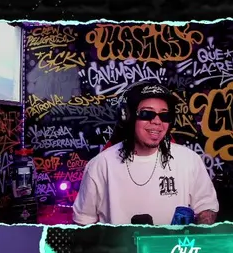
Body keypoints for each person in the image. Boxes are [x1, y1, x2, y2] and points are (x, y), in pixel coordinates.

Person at [72, 82, 219, 226]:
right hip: (119, 244)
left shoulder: (189, 160)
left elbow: (206, 207)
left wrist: (198, 234)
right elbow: (84, 221)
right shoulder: (100, 165)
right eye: (146, 113)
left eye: (164, 115)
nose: (157, 121)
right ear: (127, 117)